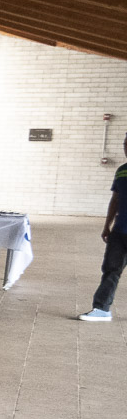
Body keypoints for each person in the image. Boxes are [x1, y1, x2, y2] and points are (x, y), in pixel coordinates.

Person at [79, 134, 127, 321]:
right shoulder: (122, 171)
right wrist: (107, 225)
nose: (126, 148)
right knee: (111, 269)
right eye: (124, 144)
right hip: (119, 232)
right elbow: (115, 199)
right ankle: (101, 309)